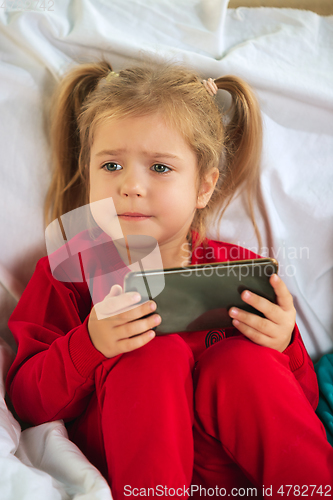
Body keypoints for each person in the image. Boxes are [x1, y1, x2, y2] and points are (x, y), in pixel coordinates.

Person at [6, 59, 333, 499]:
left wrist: (285, 345)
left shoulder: (241, 270)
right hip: (138, 470)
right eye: (111, 166)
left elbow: (301, 402)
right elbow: (26, 401)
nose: (131, 186)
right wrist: (92, 343)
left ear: (203, 186)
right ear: (88, 174)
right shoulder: (69, 272)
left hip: (234, 476)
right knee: (150, 353)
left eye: (160, 168)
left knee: (244, 364)